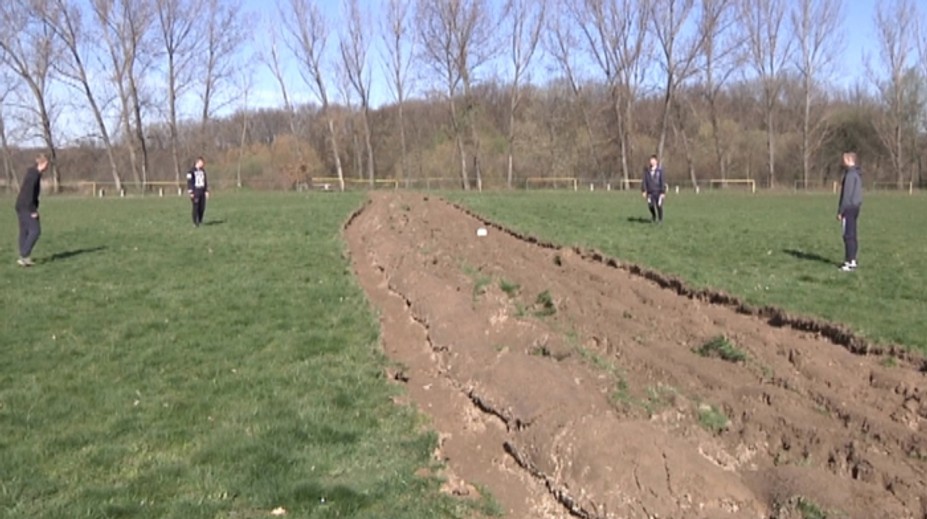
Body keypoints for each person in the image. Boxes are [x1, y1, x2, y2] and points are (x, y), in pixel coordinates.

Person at [14, 154, 49, 267]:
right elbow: (28, 193)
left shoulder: (34, 173)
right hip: (26, 206)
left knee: (24, 231)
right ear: (42, 164)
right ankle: (24, 254)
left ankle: (24, 258)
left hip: (21, 205)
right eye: (46, 164)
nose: (47, 167)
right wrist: (32, 210)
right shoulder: (33, 176)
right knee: (35, 230)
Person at [837, 152, 863, 272]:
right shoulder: (857, 174)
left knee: (848, 235)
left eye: (844, 159)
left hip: (849, 208)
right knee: (852, 234)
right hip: (855, 207)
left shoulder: (850, 175)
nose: (842, 162)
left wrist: (840, 211)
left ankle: (849, 261)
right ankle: (852, 259)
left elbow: (846, 195)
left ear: (849, 160)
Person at [641, 154, 666, 223]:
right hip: (650, 192)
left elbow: (662, 181)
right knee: (650, 205)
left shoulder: (660, 171)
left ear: (656, 161)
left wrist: (663, 192)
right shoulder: (647, 171)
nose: (652, 162)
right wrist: (643, 190)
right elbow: (644, 181)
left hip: (658, 191)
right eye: (651, 160)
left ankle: (660, 219)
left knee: (659, 205)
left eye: (653, 160)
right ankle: (653, 216)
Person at [186, 157, 209, 227]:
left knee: (202, 207)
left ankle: (200, 220)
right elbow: (189, 182)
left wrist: (206, 190)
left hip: (202, 190)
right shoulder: (191, 171)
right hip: (195, 191)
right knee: (196, 206)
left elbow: (205, 181)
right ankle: (195, 222)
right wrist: (191, 192)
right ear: (198, 162)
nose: (203, 164)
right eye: (201, 162)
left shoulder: (203, 171)